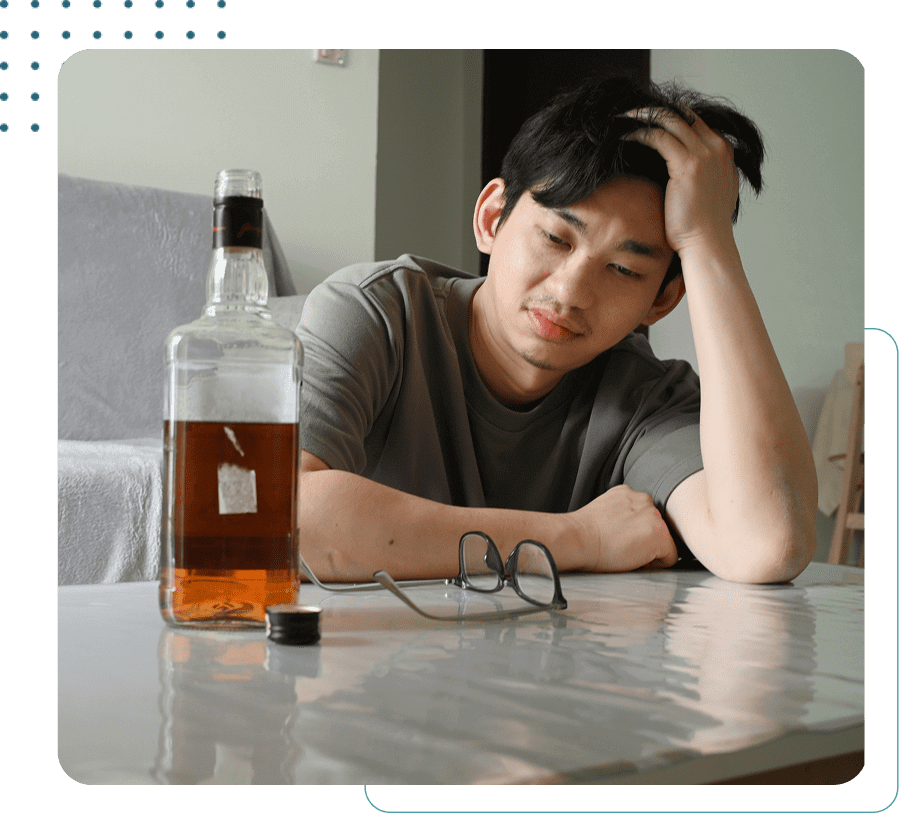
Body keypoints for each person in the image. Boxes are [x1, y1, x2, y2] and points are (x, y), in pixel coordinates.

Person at [297, 75, 818, 585]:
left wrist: (706, 243)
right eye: (555, 238)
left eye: (624, 269)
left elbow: (766, 544)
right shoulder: (377, 314)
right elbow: (282, 514)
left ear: (661, 300)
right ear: (491, 217)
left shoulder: (645, 399)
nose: (571, 292)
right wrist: (578, 538)